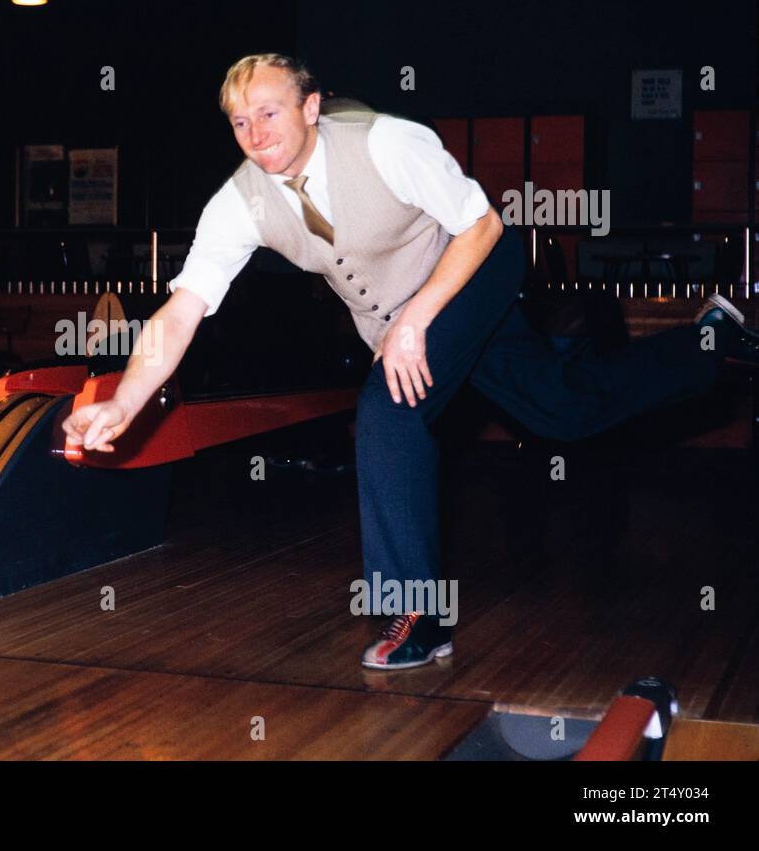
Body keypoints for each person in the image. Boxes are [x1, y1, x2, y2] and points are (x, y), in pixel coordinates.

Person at [62, 52, 759, 670]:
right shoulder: (240, 200)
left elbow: (482, 223)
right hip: (409, 314)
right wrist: (126, 400)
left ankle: (418, 616)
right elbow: (181, 309)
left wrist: (414, 321)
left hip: (475, 263)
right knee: (565, 410)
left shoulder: (386, 141)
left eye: (269, 112)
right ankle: (710, 343)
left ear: (310, 107)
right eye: (240, 122)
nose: (256, 134)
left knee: (388, 413)